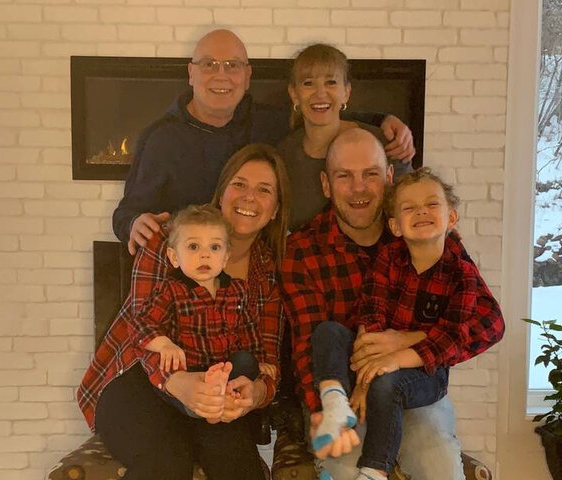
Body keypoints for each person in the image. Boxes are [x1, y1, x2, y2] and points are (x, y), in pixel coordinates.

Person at [280, 128, 505, 480]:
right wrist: (320, 409)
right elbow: (309, 343)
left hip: (414, 386)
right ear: (326, 184)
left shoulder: (428, 233)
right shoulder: (302, 250)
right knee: (344, 467)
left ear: (388, 177)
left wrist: (408, 342)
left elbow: (490, 323)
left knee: (439, 466)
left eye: (370, 174)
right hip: (345, 395)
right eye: (344, 176)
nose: (358, 188)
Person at [77, 143, 290, 480]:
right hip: (138, 378)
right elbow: (139, 324)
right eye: (239, 184)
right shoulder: (168, 239)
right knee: (167, 461)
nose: (249, 197)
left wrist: (256, 393)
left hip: (214, 388)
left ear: (275, 209)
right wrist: (176, 381)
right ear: (221, 193)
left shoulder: (265, 271)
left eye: (264, 190)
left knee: (239, 466)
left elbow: (266, 359)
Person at [112, 29, 416, 254]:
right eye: (209, 64)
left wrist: (383, 120)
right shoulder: (160, 138)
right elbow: (126, 213)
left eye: (232, 65)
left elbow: (320, 111)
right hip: (189, 264)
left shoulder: (269, 121)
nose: (221, 75)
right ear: (191, 73)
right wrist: (134, 223)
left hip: (253, 260)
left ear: (247, 76)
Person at [135, 204, 274, 418]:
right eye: (193, 247)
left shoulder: (238, 290)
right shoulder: (170, 289)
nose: (205, 255)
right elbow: (141, 323)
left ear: (226, 257)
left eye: (215, 247)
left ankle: (222, 398)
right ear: (174, 257)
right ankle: (206, 403)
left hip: (226, 368)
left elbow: (249, 331)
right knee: (172, 371)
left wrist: (260, 360)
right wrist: (164, 344)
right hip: (190, 371)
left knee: (246, 361)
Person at [278, 43, 414, 231]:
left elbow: (413, 204)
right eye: (308, 83)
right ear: (294, 94)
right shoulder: (284, 155)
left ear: (346, 92)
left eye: (331, 82)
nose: (320, 93)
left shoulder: (383, 144)